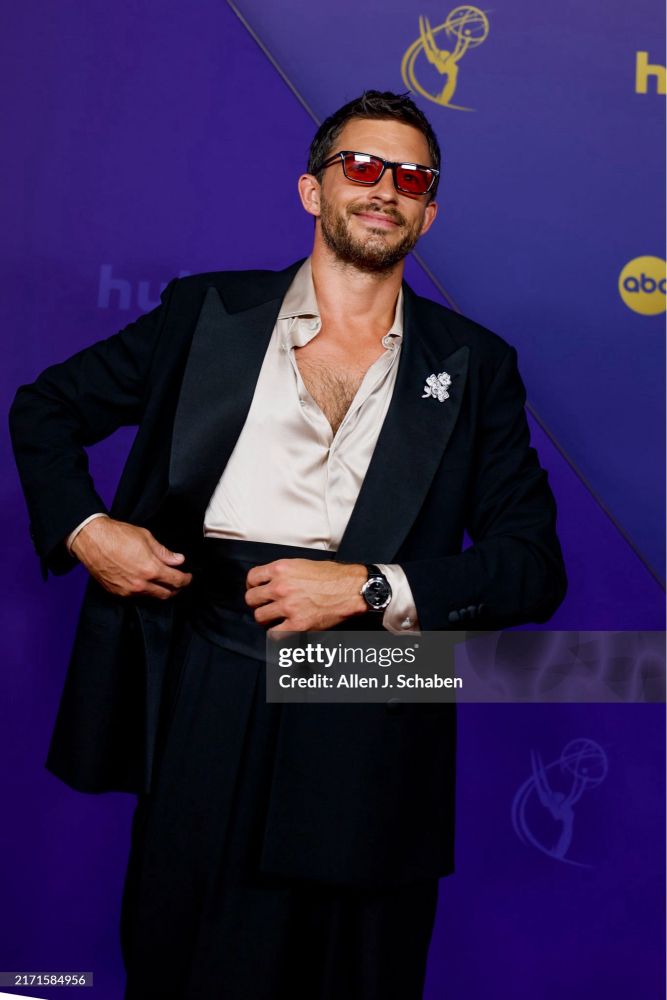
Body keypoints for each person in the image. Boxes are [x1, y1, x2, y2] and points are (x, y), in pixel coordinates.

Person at [9, 90, 567, 999]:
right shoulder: (205, 314)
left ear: (429, 212)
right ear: (314, 190)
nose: (385, 189)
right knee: (188, 960)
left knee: (356, 974)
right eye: (363, 166)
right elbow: (45, 410)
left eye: (411, 178)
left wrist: (368, 589)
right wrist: (87, 529)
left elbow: (532, 568)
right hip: (210, 670)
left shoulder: (475, 365)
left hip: (375, 691)